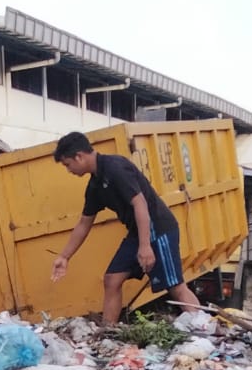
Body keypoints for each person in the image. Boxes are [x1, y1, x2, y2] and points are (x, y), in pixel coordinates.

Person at [49, 132, 202, 325]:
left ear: (79, 156)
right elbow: (84, 223)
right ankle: (107, 333)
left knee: (175, 286)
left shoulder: (116, 167)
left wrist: (145, 246)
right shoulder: (95, 185)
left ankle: (204, 327)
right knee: (111, 280)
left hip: (158, 229)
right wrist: (64, 257)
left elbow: (140, 203)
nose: (68, 170)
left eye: (67, 164)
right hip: (137, 234)